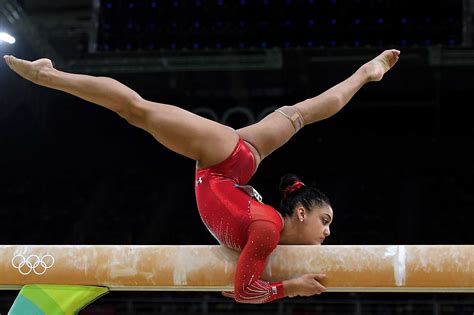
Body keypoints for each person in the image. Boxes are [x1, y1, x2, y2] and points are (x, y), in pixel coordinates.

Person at [3, 49, 400, 303]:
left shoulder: (266, 233)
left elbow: (246, 288)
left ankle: (366, 72)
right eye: (325, 220)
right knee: (136, 110)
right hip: (220, 159)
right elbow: (246, 291)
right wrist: (291, 287)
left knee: (305, 112)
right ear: (300, 213)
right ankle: (48, 75)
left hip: (238, 161)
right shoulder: (265, 232)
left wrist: (279, 285)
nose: (329, 232)